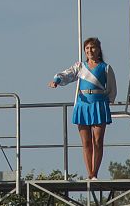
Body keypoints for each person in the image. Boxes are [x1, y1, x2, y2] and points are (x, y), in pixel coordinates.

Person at [48, 36, 117, 180]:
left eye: (92, 47)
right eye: (87, 48)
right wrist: (57, 80)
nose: (89, 51)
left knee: (97, 141)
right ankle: (89, 173)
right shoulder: (80, 66)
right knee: (86, 142)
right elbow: (67, 74)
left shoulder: (105, 67)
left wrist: (108, 101)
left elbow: (112, 88)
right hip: (83, 104)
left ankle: (94, 173)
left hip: (98, 104)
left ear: (98, 50)